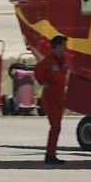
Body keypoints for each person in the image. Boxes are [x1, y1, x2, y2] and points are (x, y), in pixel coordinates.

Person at [35, 35, 69, 165]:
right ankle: (50, 155)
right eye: (64, 45)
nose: (66, 48)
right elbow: (38, 71)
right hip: (51, 98)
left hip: (59, 97)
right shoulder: (49, 61)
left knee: (57, 127)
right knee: (55, 127)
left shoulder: (62, 59)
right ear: (58, 46)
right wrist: (45, 83)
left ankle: (51, 154)